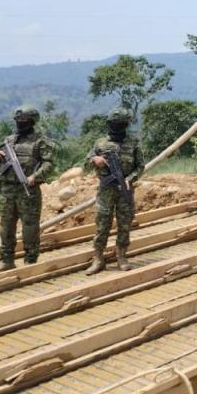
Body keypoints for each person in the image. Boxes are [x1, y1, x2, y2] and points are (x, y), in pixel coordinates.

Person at [0, 105, 55, 271]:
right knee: (6, 226)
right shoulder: (9, 140)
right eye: (18, 120)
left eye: (24, 120)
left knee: (30, 227)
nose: (20, 122)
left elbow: (49, 163)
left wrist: (35, 177)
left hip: (28, 190)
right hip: (7, 190)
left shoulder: (41, 141)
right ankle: (6, 260)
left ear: (32, 121)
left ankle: (30, 261)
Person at [84, 107, 144, 275]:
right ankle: (98, 259)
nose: (117, 126)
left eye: (120, 123)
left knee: (124, 224)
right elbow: (85, 164)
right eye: (114, 123)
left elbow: (140, 166)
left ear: (126, 124)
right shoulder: (100, 143)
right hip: (106, 190)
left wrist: (129, 179)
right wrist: (95, 160)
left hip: (125, 190)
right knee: (102, 225)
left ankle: (122, 257)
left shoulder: (133, 142)